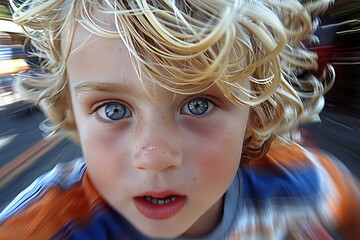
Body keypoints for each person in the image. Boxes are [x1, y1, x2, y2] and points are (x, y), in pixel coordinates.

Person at [1, 0, 359, 239]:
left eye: (199, 105)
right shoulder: (44, 228)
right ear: (73, 114)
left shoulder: (299, 183)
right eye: (113, 110)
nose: (154, 156)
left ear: (255, 111)